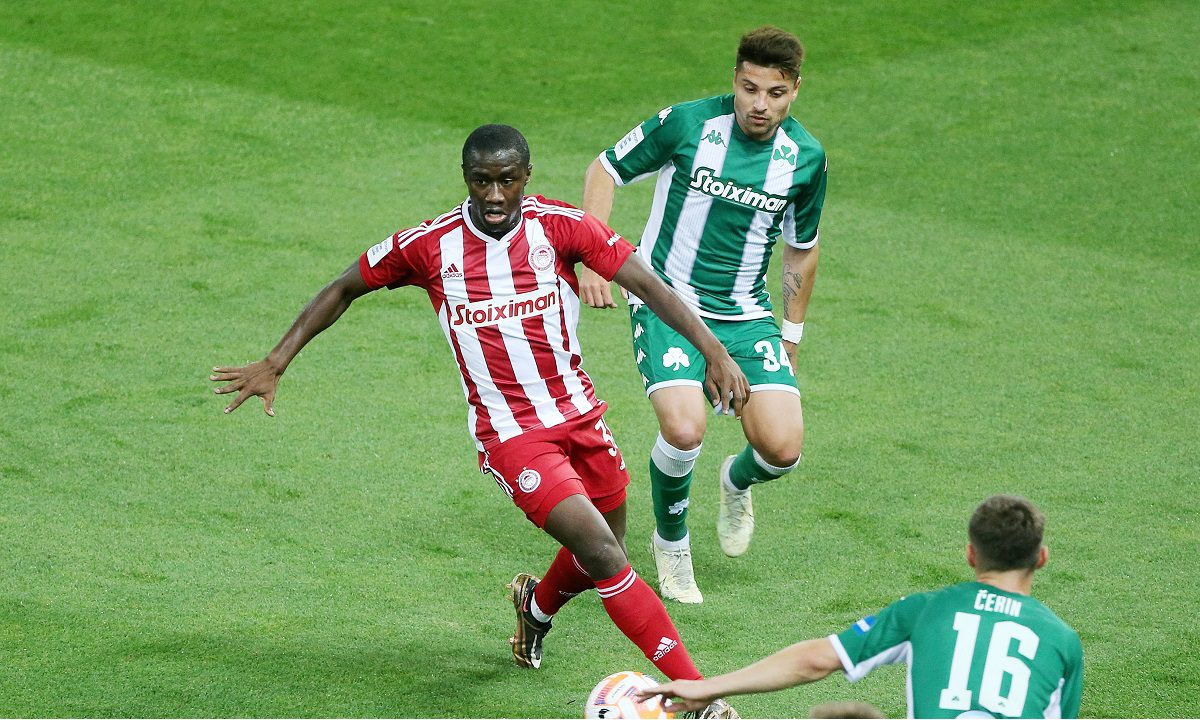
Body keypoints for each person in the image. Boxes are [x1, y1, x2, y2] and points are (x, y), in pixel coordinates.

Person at [210, 125, 745, 717]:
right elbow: (344, 287)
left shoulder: (563, 227)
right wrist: (276, 361)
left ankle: (535, 609)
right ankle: (700, 695)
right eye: (481, 181)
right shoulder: (430, 245)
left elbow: (648, 284)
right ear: (466, 178)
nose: (494, 195)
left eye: (506, 181)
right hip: (511, 434)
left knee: (609, 541)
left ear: (526, 177)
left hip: (579, 413)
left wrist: (713, 351)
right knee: (603, 553)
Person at [577, 26, 828, 603]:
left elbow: (802, 248)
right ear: (734, 80)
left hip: (745, 315)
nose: (760, 105)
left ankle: (735, 481)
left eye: (775, 93)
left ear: (795, 90)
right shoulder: (688, 124)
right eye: (749, 88)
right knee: (684, 426)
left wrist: (791, 332)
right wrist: (594, 257)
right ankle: (671, 546)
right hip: (666, 299)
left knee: (783, 450)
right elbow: (605, 169)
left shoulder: (806, 158)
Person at [635, 495, 1085, 719]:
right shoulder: (1064, 642)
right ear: (1041, 558)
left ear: (971, 555)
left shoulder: (925, 611)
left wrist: (709, 687)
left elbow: (815, 661)